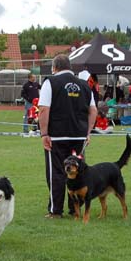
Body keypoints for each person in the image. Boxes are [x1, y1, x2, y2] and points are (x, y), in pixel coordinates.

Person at [38, 54, 97, 218]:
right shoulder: (84, 85)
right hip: (78, 136)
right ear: (70, 67)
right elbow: (93, 111)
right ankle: (75, 209)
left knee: (56, 173)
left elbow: (43, 109)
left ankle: (55, 211)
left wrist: (44, 134)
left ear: (54, 67)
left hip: (57, 136)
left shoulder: (50, 82)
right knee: (78, 172)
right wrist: (88, 132)